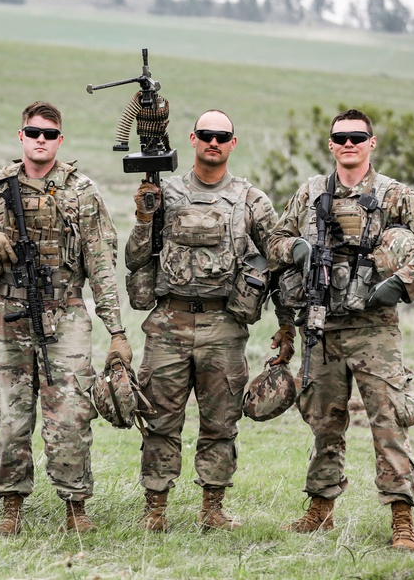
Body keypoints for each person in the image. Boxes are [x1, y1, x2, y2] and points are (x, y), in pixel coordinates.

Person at [269, 108, 414, 551]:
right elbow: (273, 243)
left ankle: (402, 518)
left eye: (358, 137)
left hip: (375, 328)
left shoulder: (395, 195)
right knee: (323, 421)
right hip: (323, 322)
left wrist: (401, 284)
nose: (349, 143)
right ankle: (320, 512)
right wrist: (295, 247)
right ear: (331, 145)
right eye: (341, 137)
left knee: (388, 421)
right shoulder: (310, 193)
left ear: (372, 143)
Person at [0, 101, 132, 535]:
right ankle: (10, 507)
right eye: (33, 132)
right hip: (7, 313)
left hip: (66, 312)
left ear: (59, 140)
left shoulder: (81, 192)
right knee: (11, 417)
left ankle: (75, 507)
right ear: (21, 136)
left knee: (70, 414)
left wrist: (117, 331)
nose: (40, 140)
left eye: (49, 134)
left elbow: (102, 264)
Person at [125, 110, 296, 532]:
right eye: (206, 135)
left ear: (232, 143)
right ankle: (156, 510)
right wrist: (145, 217)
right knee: (160, 420)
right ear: (193, 139)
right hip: (169, 322)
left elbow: (277, 262)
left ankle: (213, 509)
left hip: (224, 327)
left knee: (221, 422)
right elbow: (133, 258)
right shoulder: (164, 193)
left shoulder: (251, 201)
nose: (213, 142)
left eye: (222, 136)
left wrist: (288, 323)